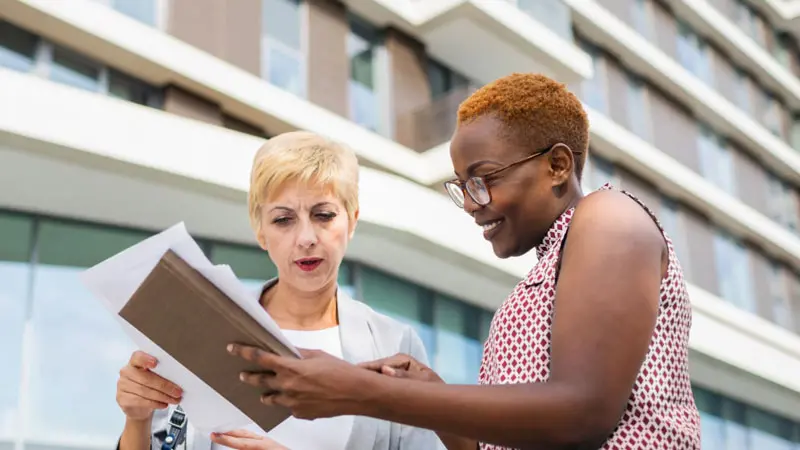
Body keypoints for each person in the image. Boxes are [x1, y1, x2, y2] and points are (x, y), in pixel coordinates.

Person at [226, 73, 702, 449]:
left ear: (557, 166)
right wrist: (429, 391)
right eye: (463, 187)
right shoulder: (541, 278)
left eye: (483, 179)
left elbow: (583, 414)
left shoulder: (609, 218)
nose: (473, 203)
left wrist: (357, 391)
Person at [114, 131, 444, 450]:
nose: (306, 238)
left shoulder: (395, 346)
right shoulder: (203, 328)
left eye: (324, 215)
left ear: (352, 220)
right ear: (260, 231)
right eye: (283, 220)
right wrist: (137, 419)